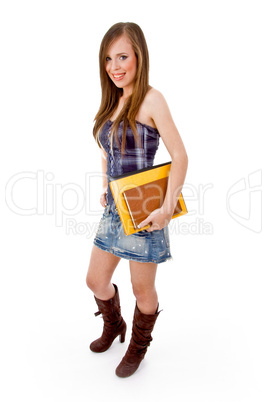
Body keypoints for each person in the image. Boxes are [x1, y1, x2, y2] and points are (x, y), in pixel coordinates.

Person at [86, 22, 188, 378]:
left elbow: (180, 156)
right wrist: (105, 184)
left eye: (123, 56)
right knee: (95, 281)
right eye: (109, 58)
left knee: (141, 289)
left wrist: (166, 208)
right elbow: (105, 149)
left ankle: (139, 346)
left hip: (146, 211)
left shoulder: (151, 99)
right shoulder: (113, 100)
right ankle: (114, 324)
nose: (115, 66)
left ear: (139, 57)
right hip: (115, 209)